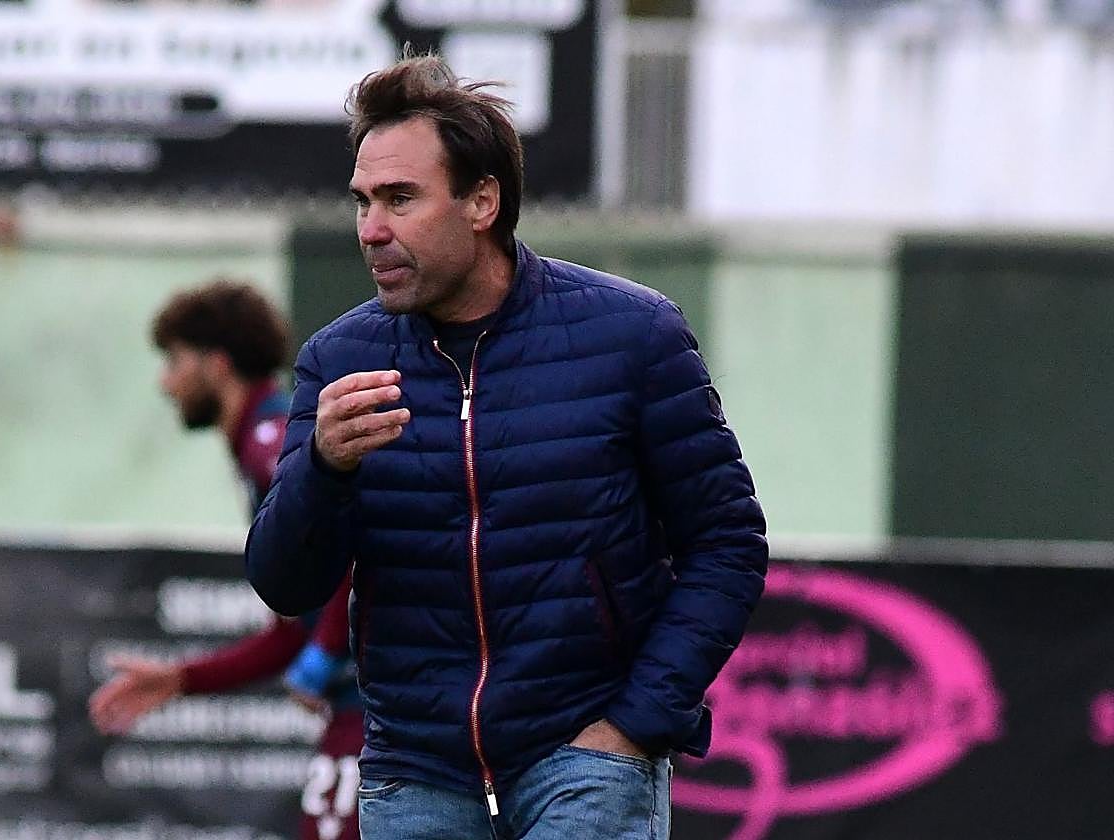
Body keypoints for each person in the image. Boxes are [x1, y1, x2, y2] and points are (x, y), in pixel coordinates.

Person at [245, 53, 768, 840]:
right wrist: (323, 469)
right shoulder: (338, 360)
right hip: (416, 774)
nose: (371, 230)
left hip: (583, 756)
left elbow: (726, 543)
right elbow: (286, 584)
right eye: (361, 203)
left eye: (400, 199)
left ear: (482, 200)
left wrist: (635, 724)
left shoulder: (632, 335)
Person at [87, 279, 361, 840]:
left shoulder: (273, 441)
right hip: (360, 712)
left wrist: (327, 654)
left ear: (215, 365)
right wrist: (183, 679)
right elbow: (292, 628)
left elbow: (354, 549)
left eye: (174, 361)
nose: (165, 383)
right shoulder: (266, 446)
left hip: (378, 715)